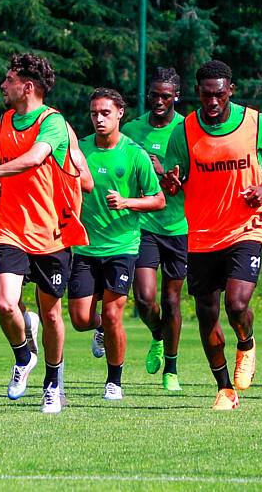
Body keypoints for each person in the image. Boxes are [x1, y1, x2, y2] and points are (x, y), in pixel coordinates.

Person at [0, 53, 92, 414]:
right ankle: (24, 355)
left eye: (9, 79)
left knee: (51, 315)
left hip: (52, 232)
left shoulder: (52, 123)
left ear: (28, 86)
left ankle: (53, 384)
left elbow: (35, 158)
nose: (3, 86)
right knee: (6, 303)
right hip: (11, 230)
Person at [162, 60, 262, 410]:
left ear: (230, 90)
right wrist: (171, 183)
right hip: (201, 234)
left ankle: (246, 344)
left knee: (236, 304)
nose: (213, 102)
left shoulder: (255, 122)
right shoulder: (184, 130)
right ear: (198, 93)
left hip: (247, 226)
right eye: (206, 95)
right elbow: (174, 179)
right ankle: (224, 389)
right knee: (206, 314)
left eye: (219, 94)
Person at [68, 88, 165, 401]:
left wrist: (127, 202)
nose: (99, 119)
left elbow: (159, 200)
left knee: (113, 315)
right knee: (81, 320)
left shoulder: (134, 154)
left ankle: (114, 381)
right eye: (94, 113)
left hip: (122, 247)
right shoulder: (78, 149)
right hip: (83, 247)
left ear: (120, 113)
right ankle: (100, 330)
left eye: (105, 113)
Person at [121, 67, 187, 392]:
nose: (159, 101)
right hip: (144, 225)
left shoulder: (187, 129)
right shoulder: (132, 129)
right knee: (145, 299)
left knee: (172, 300)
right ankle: (158, 336)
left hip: (179, 226)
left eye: (166, 96)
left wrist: (171, 177)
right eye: (154, 95)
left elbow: (196, 178)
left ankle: (171, 369)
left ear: (176, 96)